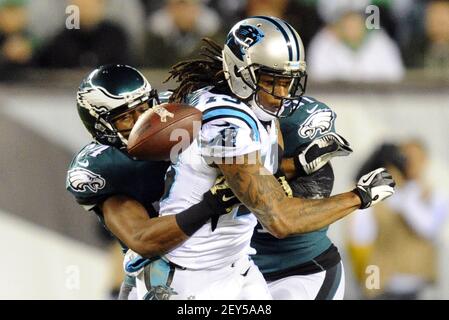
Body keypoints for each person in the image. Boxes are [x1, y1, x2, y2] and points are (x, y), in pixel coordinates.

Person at [136, 16, 395, 300]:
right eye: (272, 81)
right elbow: (279, 219)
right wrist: (359, 196)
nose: (282, 94)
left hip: (239, 268)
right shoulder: (227, 125)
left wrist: (297, 164)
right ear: (240, 72)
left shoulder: (253, 110)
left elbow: (256, 171)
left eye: (288, 82)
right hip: (192, 275)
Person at [65, 64, 239, 300]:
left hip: (231, 259)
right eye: (126, 116)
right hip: (161, 276)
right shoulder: (103, 167)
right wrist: (213, 203)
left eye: (144, 108)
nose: (142, 121)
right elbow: (142, 239)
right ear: (100, 126)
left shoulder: (178, 112)